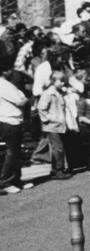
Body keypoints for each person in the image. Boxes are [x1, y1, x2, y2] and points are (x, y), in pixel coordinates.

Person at [0, 65, 32, 194]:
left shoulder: (6, 84)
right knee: (12, 151)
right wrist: (23, 97)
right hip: (9, 119)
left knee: (16, 151)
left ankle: (16, 179)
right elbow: (20, 99)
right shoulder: (3, 84)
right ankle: (6, 181)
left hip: (12, 119)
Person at [37, 69, 71, 179]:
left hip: (59, 125)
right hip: (52, 125)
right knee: (58, 148)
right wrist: (49, 120)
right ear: (53, 81)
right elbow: (41, 108)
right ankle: (58, 170)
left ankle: (55, 169)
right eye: (60, 81)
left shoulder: (59, 93)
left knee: (57, 148)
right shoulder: (48, 93)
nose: (62, 83)